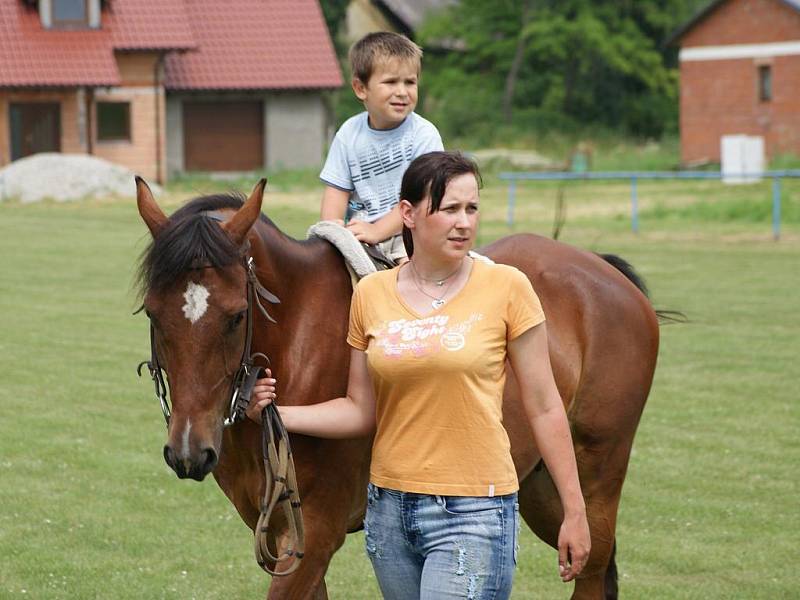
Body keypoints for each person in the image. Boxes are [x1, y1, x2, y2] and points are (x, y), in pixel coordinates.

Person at [249, 151, 590, 599]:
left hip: (474, 512)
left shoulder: (507, 288)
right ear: (407, 214)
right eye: (449, 209)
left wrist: (575, 509)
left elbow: (545, 407)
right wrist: (276, 414)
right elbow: (359, 410)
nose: (464, 222)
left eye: (471, 208)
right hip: (389, 514)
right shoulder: (371, 294)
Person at [320, 31, 444, 264]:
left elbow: (422, 201)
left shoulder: (424, 135)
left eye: (410, 82)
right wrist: (332, 227)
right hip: (360, 231)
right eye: (390, 82)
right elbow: (337, 190)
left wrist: (377, 231)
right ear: (360, 88)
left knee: (408, 277)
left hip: (410, 230)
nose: (402, 91)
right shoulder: (349, 134)